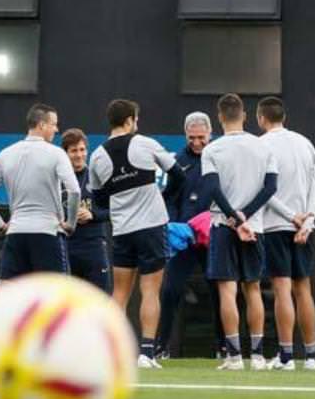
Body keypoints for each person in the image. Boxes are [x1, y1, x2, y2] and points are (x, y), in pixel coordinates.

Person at [88, 99, 185, 369]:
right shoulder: (145, 143)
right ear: (130, 120)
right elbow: (178, 175)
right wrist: (161, 196)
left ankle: (111, 352)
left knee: (119, 293)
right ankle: (146, 353)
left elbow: (98, 202)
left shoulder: (96, 156)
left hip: (122, 231)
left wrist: (121, 204)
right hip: (152, 227)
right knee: (150, 291)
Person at [201, 94, 278, 371]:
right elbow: (270, 188)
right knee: (253, 288)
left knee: (227, 290)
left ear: (220, 117)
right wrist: (246, 216)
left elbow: (212, 189)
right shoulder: (263, 147)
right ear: (244, 115)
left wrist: (235, 217)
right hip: (254, 227)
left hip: (225, 226)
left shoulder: (213, 150)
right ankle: (256, 356)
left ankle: (234, 357)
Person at [256, 96, 315, 371]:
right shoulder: (305, 143)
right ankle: (311, 356)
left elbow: (264, 190)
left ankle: (286, 356)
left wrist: (291, 217)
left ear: (261, 118)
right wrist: (307, 221)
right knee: (303, 288)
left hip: (275, 225)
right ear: (284, 117)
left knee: (282, 287)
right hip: (303, 226)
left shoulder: (260, 146)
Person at [0, 104, 80, 280]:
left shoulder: (6, 153)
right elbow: (74, 191)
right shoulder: (56, 153)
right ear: (41, 125)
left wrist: (0, 224)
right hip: (48, 233)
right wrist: (71, 223)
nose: (56, 129)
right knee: (55, 294)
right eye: (53, 124)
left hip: (16, 233)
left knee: (7, 293)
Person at [157, 112, 224, 359]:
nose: (197, 142)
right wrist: (174, 224)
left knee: (220, 291)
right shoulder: (177, 161)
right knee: (169, 290)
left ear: (210, 134)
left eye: (202, 138)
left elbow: (223, 194)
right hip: (184, 236)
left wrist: (212, 218)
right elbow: (169, 196)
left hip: (212, 235)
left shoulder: (217, 157)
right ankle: (161, 346)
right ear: (186, 135)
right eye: (192, 137)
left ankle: (224, 347)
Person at [60, 129, 112, 293]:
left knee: (100, 299)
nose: (79, 155)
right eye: (74, 150)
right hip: (67, 245)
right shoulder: (58, 179)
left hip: (94, 245)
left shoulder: (97, 176)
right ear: (65, 153)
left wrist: (92, 215)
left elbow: (114, 210)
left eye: (82, 150)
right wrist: (69, 217)